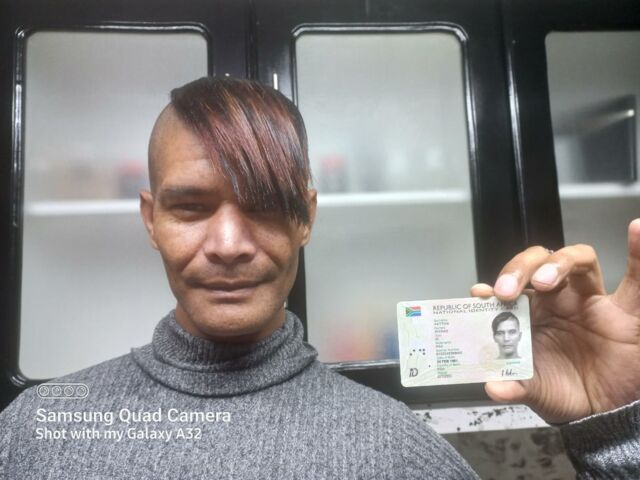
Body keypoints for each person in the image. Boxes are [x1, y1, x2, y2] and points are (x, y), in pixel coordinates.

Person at [0, 77, 639, 479]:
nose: (228, 246)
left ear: (305, 217)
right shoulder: (37, 429)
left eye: (264, 206)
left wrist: (616, 430)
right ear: (152, 220)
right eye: (191, 208)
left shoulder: (397, 450)